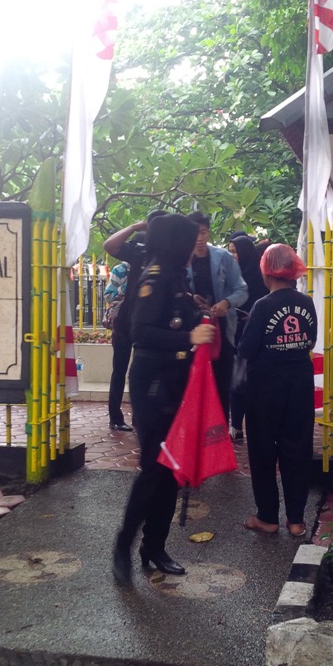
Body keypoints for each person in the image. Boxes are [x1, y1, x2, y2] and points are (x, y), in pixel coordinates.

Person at [112, 213, 216, 586]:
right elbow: (142, 331)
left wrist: (198, 316)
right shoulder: (154, 278)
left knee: (173, 467)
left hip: (174, 381)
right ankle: (123, 545)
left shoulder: (175, 277)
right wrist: (188, 339)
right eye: (190, 242)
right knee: (155, 467)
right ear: (177, 244)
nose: (194, 249)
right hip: (153, 383)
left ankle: (154, 547)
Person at [237, 243, 317, 537]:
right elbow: (309, 340)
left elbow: (246, 349)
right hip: (299, 384)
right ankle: (296, 520)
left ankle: (267, 517)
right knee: (297, 449)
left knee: (262, 450)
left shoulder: (262, 306)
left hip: (264, 389)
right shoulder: (307, 302)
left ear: (266, 271)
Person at [102, 210, 166, 431]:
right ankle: (116, 417)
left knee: (143, 372)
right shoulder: (139, 252)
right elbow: (109, 246)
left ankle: (141, 418)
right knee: (119, 371)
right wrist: (134, 227)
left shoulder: (171, 253)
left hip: (150, 327)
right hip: (125, 323)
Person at [185, 211, 248, 419]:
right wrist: (190, 297)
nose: (199, 238)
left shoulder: (224, 258)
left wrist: (226, 302)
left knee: (222, 386)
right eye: (194, 233)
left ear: (208, 232)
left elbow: (242, 290)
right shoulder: (182, 259)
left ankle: (219, 430)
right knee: (192, 386)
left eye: (202, 232)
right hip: (192, 334)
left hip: (222, 333)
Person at [228, 234, 267, 442]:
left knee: (250, 380)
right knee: (236, 380)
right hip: (234, 334)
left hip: (254, 336)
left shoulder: (260, 278)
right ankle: (235, 425)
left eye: (235, 251)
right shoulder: (231, 277)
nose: (232, 255)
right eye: (230, 251)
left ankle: (250, 424)